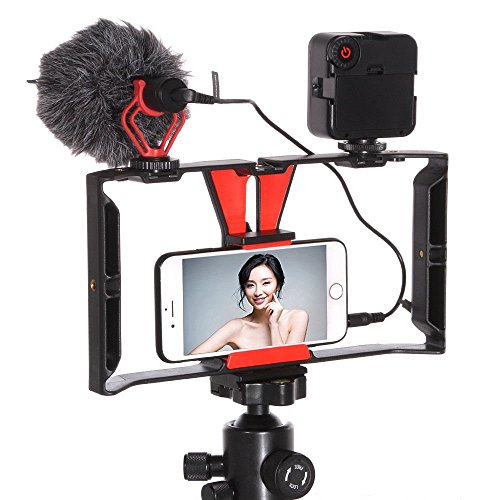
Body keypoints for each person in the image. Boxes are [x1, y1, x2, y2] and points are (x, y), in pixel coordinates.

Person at [190, 254, 309, 354]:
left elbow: (286, 366)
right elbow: (190, 361)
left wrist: (274, 325)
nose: (257, 292)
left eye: (266, 283)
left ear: (278, 285)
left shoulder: (297, 317)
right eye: (250, 285)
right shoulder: (237, 327)